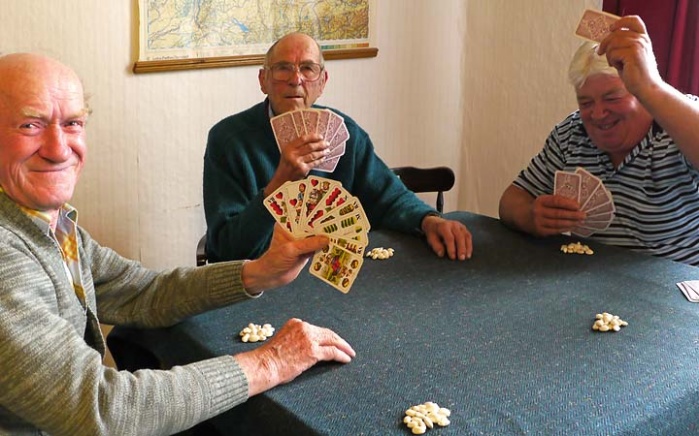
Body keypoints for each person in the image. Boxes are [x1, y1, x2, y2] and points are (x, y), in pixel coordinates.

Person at [0, 53, 356, 435]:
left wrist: (259, 272)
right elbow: (103, 408)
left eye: (72, 124)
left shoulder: (48, 222)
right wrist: (270, 362)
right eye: (31, 125)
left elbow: (142, 292)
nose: (58, 148)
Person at [203, 32, 472, 263]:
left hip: (329, 275)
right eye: (283, 68)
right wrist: (279, 184)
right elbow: (229, 250)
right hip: (260, 281)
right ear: (263, 80)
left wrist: (428, 220)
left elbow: (389, 197)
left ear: (322, 82)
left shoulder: (345, 133)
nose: (296, 79)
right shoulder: (227, 140)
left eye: (308, 68)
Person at [498, 15, 699, 266]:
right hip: (592, 288)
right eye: (586, 103)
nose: (598, 114)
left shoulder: (680, 117)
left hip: (675, 295)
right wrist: (531, 216)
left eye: (613, 98)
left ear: (640, 90)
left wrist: (651, 87)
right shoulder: (571, 133)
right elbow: (511, 200)